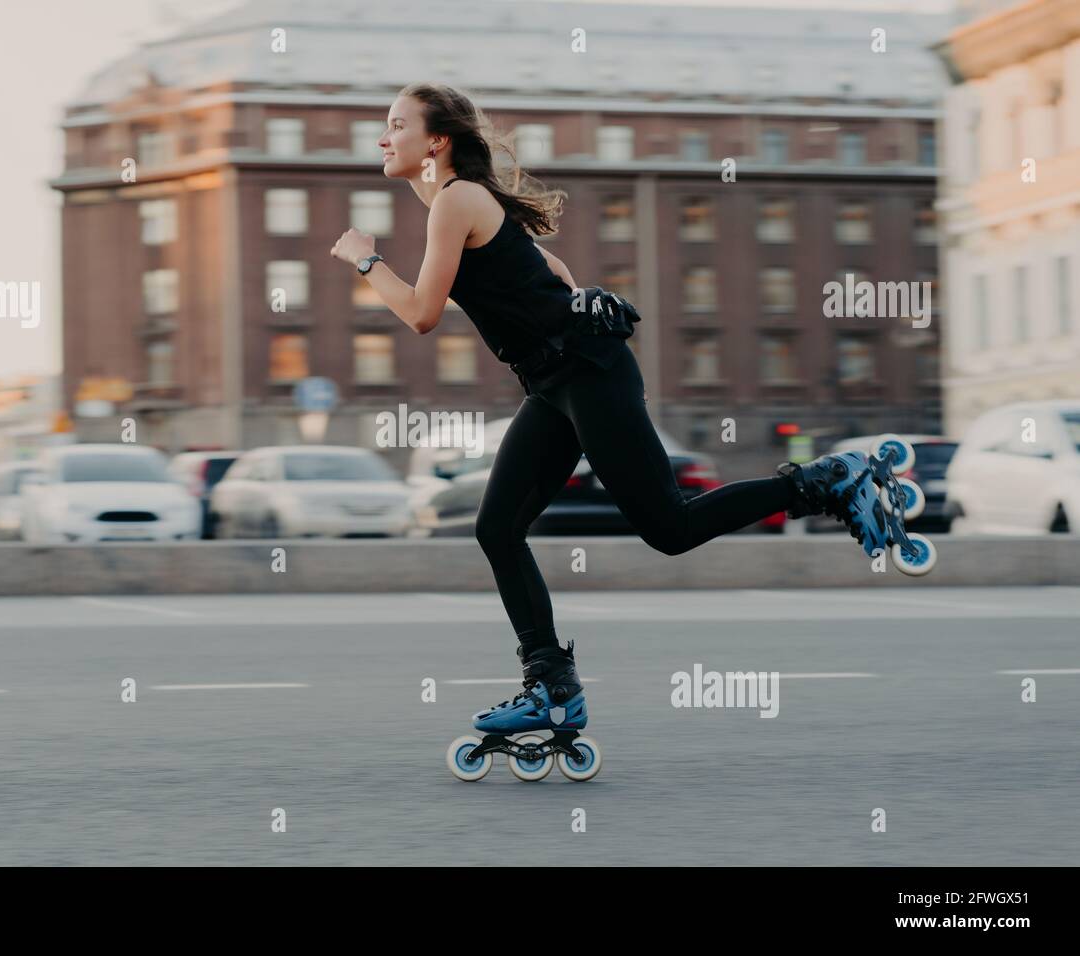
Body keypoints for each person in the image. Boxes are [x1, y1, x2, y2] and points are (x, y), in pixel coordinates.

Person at [330, 82, 865, 739]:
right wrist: (580, 297)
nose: (383, 138)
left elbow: (420, 314)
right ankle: (553, 688)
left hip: (588, 374)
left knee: (669, 526)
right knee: (497, 528)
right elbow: (547, 264)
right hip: (555, 383)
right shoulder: (460, 201)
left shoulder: (456, 200)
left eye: (395, 125)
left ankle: (826, 483)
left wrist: (365, 260)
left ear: (435, 140)